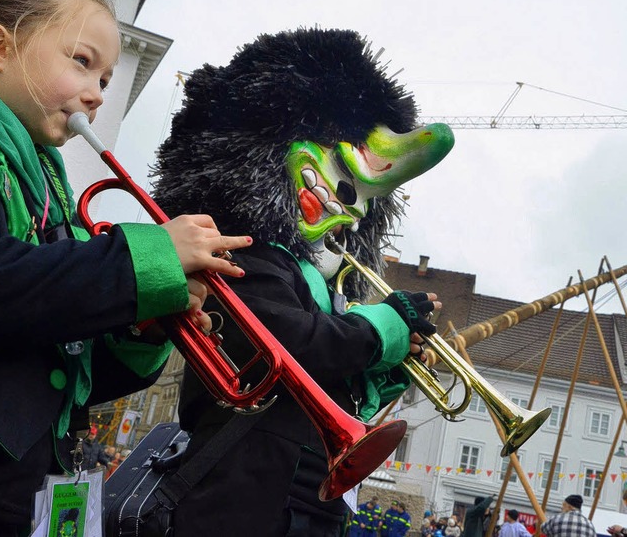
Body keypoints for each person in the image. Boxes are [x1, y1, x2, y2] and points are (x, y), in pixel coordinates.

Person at [153, 27, 454, 536]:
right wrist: (381, 331)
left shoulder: (321, 284)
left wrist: (380, 371)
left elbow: (322, 382)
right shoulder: (246, 255)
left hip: (308, 495)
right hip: (241, 495)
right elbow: (289, 343)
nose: (350, 207)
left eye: (364, 199)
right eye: (343, 176)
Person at [0, 0, 251, 535]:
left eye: (105, 79)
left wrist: (144, 326)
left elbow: (57, 365)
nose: (97, 93)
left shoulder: (45, 188)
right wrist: (146, 259)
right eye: (82, 63)